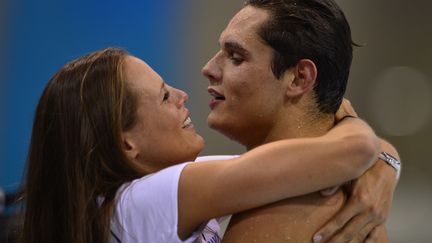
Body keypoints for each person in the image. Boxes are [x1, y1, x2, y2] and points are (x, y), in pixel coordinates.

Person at [19, 47, 381, 243]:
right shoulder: (147, 199)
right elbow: (354, 151)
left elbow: (311, 161)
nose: (182, 95)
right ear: (127, 143)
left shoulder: (117, 209)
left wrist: (383, 166)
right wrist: (348, 119)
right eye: (163, 97)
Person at [201, 0, 400, 242]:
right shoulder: (343, 201)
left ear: (299, 78)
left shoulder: (274, 218)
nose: (209, 68)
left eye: (235, 57)